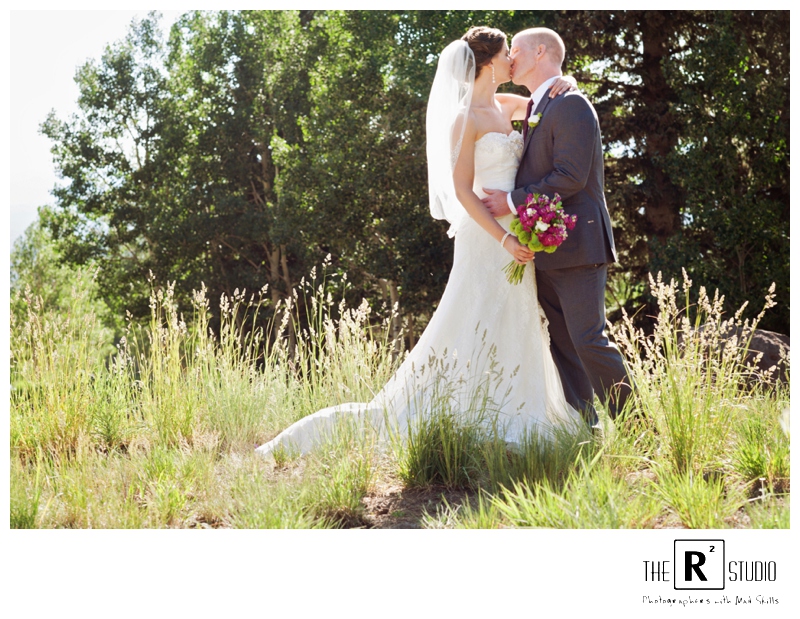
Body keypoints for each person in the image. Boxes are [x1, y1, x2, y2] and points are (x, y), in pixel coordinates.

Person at [256, 27, 582, 459]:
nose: (513, 61)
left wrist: (570, 81)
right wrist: (503, 238)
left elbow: (551, 103)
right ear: (488, 63)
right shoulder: (465, 119)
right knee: (470, 323)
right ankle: (448, 416)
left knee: (515, 322)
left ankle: (512, 413)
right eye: (507, 54)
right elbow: (464, 191)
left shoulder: (507, 106)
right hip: (487, 238)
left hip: (515, 236)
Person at [481, 27, 634, 426]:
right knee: (564, 344)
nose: (510, 58)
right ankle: (587, 427)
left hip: (579, 243)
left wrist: (511, 201)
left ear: (540, 52)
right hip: (545, 247)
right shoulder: (538, 104)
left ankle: (637, 425)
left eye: (515, 50)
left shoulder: (570, 103)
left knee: (588, 339)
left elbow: (570, 176)